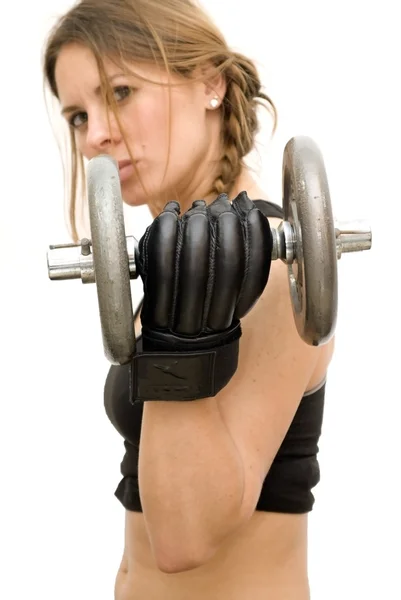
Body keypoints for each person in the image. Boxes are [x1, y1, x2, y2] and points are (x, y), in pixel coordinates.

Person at [42, 0, 335, 598]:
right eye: (77, 115)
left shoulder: (275, 264)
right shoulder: (177, 261)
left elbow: (183, 541)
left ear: (210, 83)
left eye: (120, 92)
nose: (95, 133)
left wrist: (183, 338)